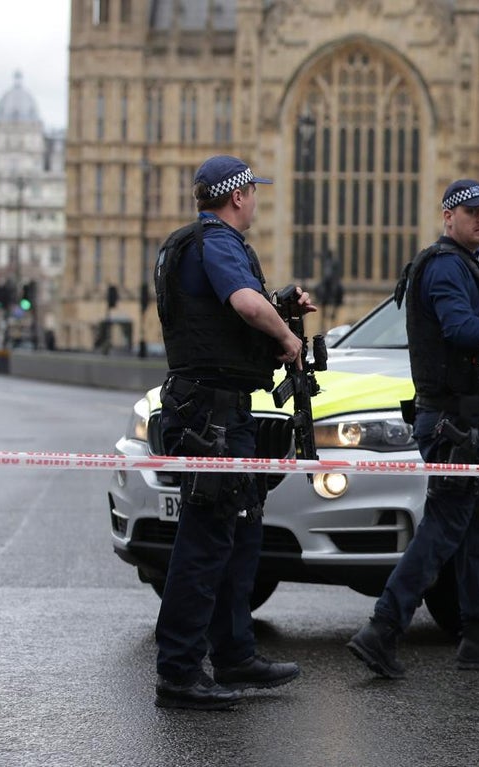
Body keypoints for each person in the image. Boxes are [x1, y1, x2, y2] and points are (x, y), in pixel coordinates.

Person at [347, 179, 479, 678]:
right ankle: (381, 629)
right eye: (471, 210)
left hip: (466, 420)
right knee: (443, 528)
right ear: (448, 216)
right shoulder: (447, 266)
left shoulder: (460, 264)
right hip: (452, 422)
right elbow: (458, 328)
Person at [153, 155, 315, 710]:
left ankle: (234, 652)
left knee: (240, 531)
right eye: (252, 191)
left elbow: (227, 316)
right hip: (212, 415)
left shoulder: (188, 243)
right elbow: (244, 305)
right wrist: (289, 340)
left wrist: (283, 305)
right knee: (205, 543)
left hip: (216, 409)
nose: (256, 200)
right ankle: (178, 673)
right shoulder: (217, 241)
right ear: (237, 195)